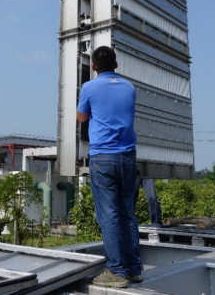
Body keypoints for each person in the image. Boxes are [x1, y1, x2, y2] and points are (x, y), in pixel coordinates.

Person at [77, 46, 142, 288]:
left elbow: (81, 117)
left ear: (93, 66)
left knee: (110, 216)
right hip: (128, 158)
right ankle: (134, 269)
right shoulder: (129, 87)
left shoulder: (89, 87)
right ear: (116, 64)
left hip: (103, 158)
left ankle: (116, 271)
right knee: (128, 214)